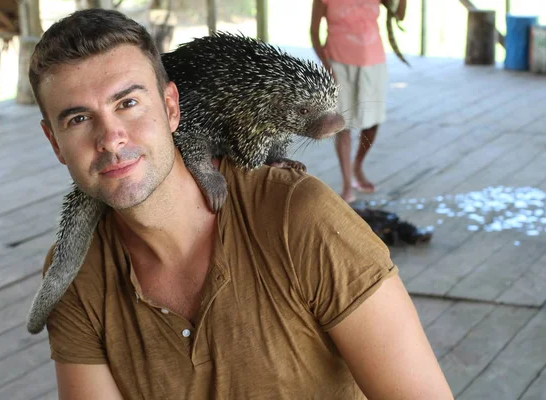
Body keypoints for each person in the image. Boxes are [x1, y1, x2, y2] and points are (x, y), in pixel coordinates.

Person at [30, 8, 452, 399]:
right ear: (54, 142)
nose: (111, 137)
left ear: (172, 106)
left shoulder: (301, 218)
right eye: (79, 118)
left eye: (129, 103)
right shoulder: (80, 276)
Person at [311, 0, 407, 203]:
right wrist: (327, 65)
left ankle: (358, 165)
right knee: (343, 124)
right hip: (338, 63)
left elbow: (399, 15)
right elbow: (313, 32)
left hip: (373, 62)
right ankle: (347, 183)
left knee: (372, 122)